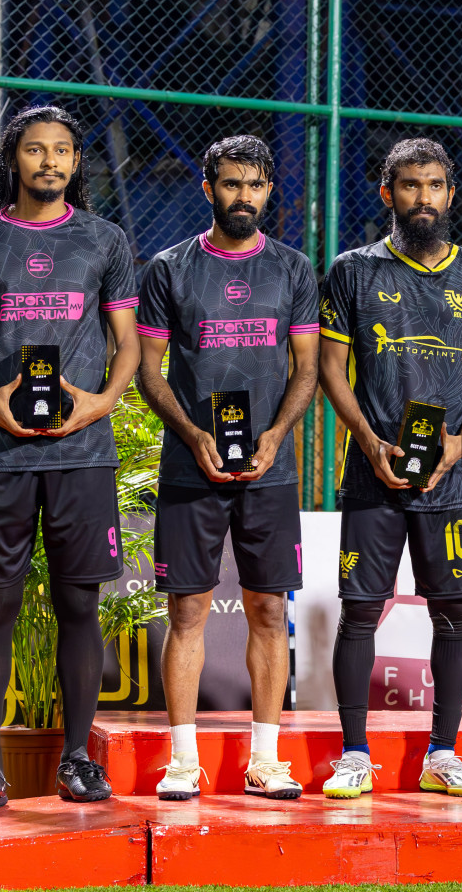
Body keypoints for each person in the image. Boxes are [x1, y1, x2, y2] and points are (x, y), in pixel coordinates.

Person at [0, 105, 140, 815]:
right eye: (35, 150)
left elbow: (130, 344)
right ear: (13, 160)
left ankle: (77, 761)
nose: (49, 162)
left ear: (77, 163)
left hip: (81, 454)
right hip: (0, 456)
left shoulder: (103, 241)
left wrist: (101, 402)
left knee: (80, 604)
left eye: (62, 152)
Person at [317, 138, 462, 798]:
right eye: (409, 186)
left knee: (454, 615)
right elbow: (330, 370)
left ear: (451, 195)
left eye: (433, 186)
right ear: (386, 193)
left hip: (448, 477)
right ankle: (353, 755)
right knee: (359, 612)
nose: (422, 198)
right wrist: (369, 442)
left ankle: (443, 754)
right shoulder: (353, 270)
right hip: (373, 474)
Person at [135, 135, 320, 801]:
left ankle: (265, 761)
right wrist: (191, 432)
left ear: (271, 192)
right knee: (186, 611)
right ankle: (183, 761)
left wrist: (274, 435)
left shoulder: (294, 270)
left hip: (270, 469)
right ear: (208, 188)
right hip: (191, 466)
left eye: (257, 186)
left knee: (269, 608)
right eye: (232, 184)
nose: (245, 197)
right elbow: (147, 370)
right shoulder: (168, 268)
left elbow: (307, 369)